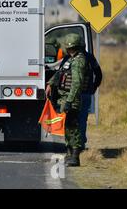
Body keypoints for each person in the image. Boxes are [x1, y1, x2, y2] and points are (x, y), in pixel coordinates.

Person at [46, 33, 93, 167]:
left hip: (72, 99)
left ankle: (75, 156)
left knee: (73, 127)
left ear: (76, 47)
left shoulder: (79, 61)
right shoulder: (69, 59)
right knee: (67, 127)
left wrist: (69, 101)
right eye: (68, 48)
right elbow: (60, 72)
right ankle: (69, 153)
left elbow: (76, 84)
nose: (69, 50)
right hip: (65, 97)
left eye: (71, 48)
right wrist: (50, 83)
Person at [58, 45, 102, 150]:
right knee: (80, 119)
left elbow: (98, 74)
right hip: (84, 93)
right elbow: (99, 74)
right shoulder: (88, 57)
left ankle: (75, 145)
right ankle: (79, 144)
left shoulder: (79, 58)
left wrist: (94, 87)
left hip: (80, 94)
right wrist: (94, 87)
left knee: (74, 120)